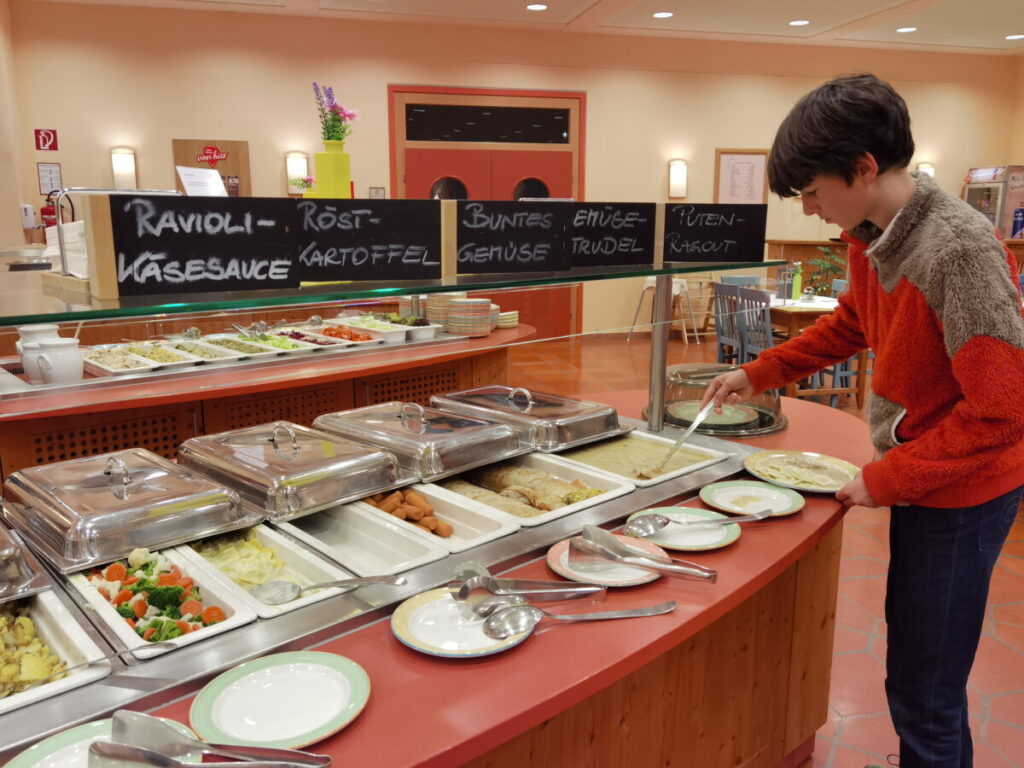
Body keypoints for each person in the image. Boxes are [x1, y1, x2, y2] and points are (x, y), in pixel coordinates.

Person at [701, 73, 1024, 767]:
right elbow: (851, 323)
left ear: (864, 167)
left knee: (927, 682)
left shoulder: (957, 251)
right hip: (926, 468)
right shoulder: (870, 231)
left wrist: (889, 476)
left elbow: (1003, 411)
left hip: (967, 484)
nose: (812, 211)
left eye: (813, 193)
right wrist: (756, 374)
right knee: (913, 655)